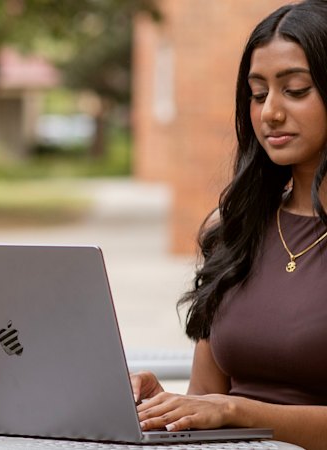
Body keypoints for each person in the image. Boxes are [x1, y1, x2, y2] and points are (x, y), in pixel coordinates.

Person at [131, 1, 327, 448]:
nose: (270, 113)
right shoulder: (237, 227)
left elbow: (226, 408)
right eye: (258, 94)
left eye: (295, 90)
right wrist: (168, 408)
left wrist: (235, 412)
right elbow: (208, 397)